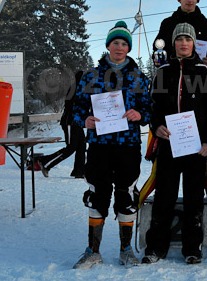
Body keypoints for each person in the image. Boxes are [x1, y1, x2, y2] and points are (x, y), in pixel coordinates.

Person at [71, 21, 152, 269]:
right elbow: (76, 110)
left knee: (126, 195)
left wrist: (139, 115)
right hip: (99, 146)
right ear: (108, 46)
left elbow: (149, 110)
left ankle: (126, 250)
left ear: (128, 47)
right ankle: (93, 250)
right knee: (98, 195)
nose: (119, 47)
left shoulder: (139, 78)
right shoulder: (91, 76)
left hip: (127, 146)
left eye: (124, 43)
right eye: (115, 42)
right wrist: (85, 120)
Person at [142, 23, 207, 265]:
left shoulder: (202, 72)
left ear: (194, 43)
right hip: (169, 145)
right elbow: (152, 107)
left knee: (194, 198)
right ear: (173, 43)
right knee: (164, 196)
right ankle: (156, 247)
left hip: (195, 148)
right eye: (179, 39)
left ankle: (192, 248)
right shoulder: (163, 72)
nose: (183, 43)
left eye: (188, 39)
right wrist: (156, 127)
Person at [37, 70, 86, 178]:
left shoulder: (82, 90)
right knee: (71, 147)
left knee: (81, 146)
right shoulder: (75, 91)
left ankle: (79, 171)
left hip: (77, 123)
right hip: (70, 122)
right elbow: (73, 106)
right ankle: (45, 162)